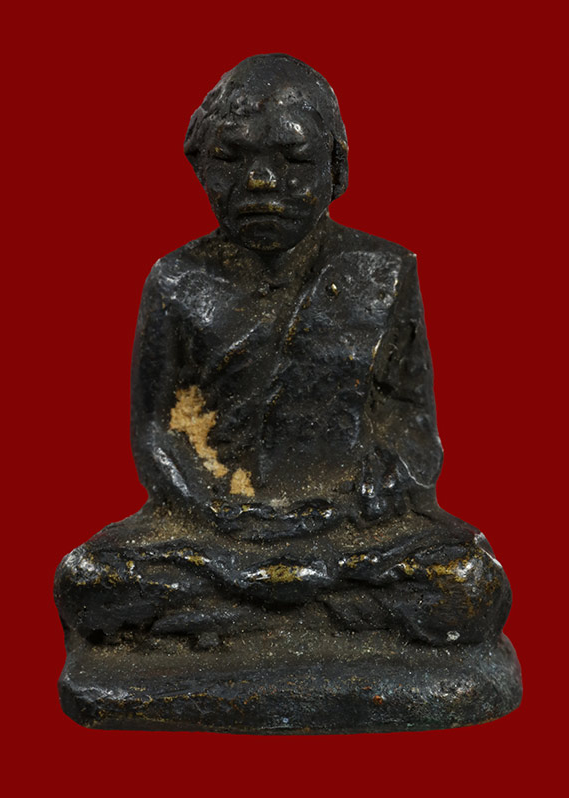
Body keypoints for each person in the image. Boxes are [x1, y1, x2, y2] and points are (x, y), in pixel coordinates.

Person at [56, 55, 511, 650]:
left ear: (335, 168)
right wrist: (211, 509)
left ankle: (234, 621)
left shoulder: (382, 272)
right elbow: (155, 432)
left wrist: (383, 485)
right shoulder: (178, 281)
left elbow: (410, 418)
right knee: (91, 581)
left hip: (346, 528)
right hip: (219, 534)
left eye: (294, 160)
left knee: (468, 581)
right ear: (199, 164)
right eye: (232, 158)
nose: (262, 182)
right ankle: (309, 613)